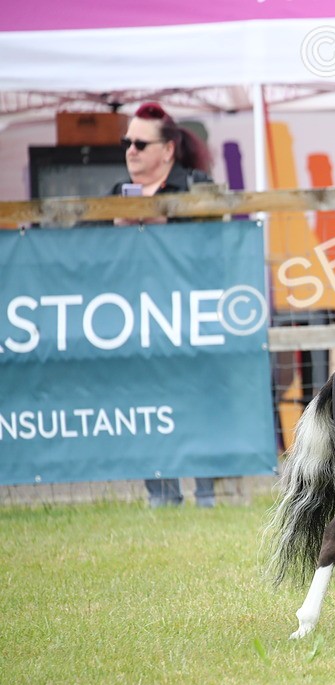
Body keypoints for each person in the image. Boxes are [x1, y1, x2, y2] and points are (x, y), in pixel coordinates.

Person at [113, 101, 219, 508]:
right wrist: (113, 231)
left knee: (196, 403)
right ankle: (161, 496)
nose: (131, 150)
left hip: (192, 318)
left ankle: (206, 497)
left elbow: (218, 242)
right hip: (138, 321)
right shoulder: (115, 198)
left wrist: (166, 225)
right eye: (127, 142)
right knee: (148, 405)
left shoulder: (198, 187)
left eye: (141, 142)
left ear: (168, 149)